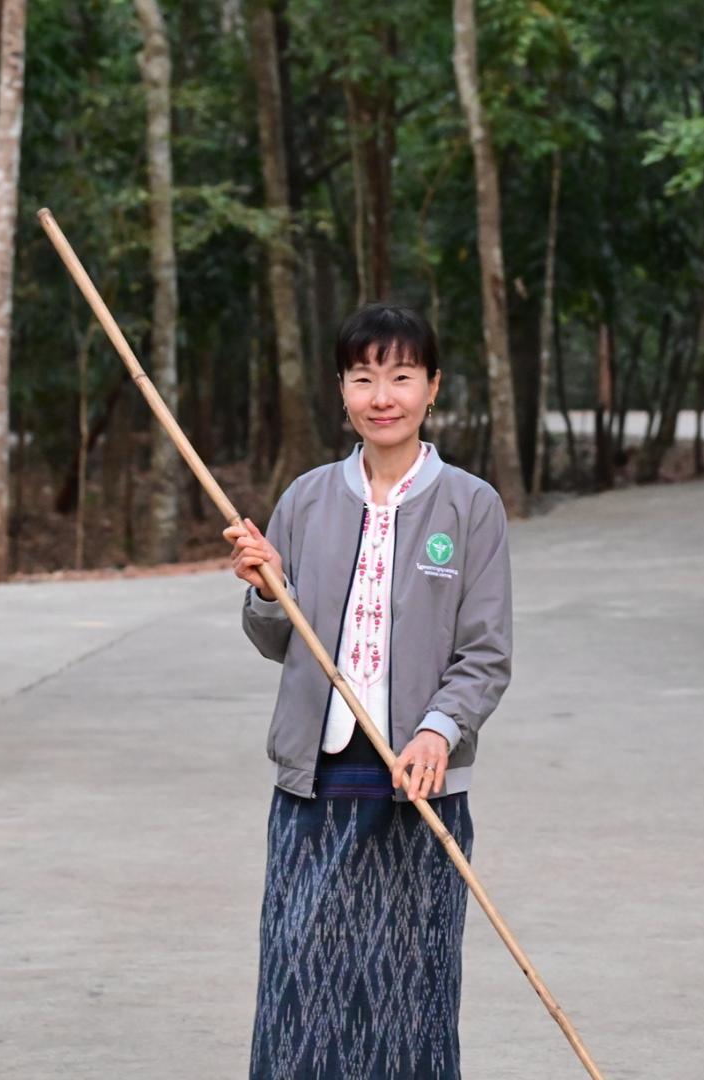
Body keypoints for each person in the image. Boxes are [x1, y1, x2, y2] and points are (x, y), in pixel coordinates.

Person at [224, 302, 512, 1080]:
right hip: (314, 787)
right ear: (342, 390)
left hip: (419, 786)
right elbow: (276, 640)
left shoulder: (471, 506)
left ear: (433, 387)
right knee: (300, 983)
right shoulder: (306, 499)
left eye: (401, 377)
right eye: (362, 378)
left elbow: (486, 653)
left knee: (411, 994)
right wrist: (265, 590)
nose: (382, 397)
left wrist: (438, 730)